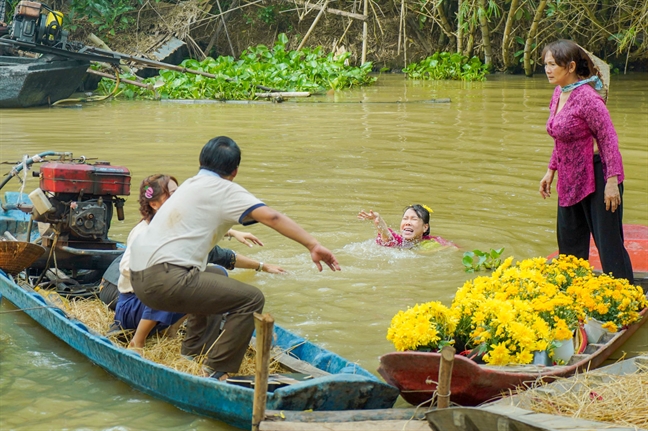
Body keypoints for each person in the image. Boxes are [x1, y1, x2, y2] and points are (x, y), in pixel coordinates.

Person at [129, 136, 340, 380]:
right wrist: (313, 244)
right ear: (235, 171)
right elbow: (271, 217)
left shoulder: (188, 184)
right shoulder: (224, 190)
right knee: (251, 299)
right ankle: (215, 370)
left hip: (140, 280)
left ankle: (191, 355)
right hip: (165, 281)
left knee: (217, 275)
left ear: (201, 162)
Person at [112, 173, 286, 353]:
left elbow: (217, 253)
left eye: (179, 193)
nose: (179, 199)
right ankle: (137, 342)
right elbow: (126, 267)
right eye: (172, 195)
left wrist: (237, 238)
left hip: (154, 301)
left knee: (216, 274)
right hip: (133, 306)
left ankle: (174, 331)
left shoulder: (178, 228)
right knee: (164, 281)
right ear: (154, 204)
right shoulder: (144, 232)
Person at [539, 39, 633, 282]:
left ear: (570, 66)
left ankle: (625, 295)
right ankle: (573, 292)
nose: (547, 69)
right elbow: (561, 137)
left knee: (608, 243)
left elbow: (608, 139)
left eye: (552, 64)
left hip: (601, 174)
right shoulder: (559, 93)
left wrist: (612, 182)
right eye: (546, 64)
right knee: (569, 241)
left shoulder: (588, 99)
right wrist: (551, 170)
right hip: (571, 176)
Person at [358, 204, 453, 249]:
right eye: (405, 218)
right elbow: (386, 233)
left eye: (414, 219)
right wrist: (378, 219)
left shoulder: (434, 242)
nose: (408, 222)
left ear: (425, 227)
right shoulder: (398, 241)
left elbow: (454, 248)